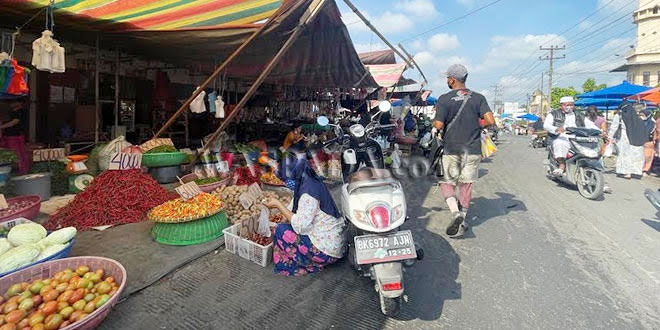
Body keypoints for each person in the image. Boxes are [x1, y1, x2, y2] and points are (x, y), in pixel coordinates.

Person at [433, 64, 495, 237]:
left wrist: (436, 124)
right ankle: (464, 218)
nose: (447, 80)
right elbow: (490, 120)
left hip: (452, 148)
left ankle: (455, 213)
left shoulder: (444, 99)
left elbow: (438, 125)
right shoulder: (478, 97)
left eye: (447, 78)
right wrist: (477, 126)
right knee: (466, 185)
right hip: (473, 149)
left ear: (452, 79)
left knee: (446, 182)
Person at [263, 159, 345, 276]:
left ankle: (306, 264)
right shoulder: (310, 182)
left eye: (287, 180)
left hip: (327, 251)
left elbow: (301, 226)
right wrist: (283, 215)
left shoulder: (308, 194)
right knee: (282, 226)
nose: (286, 183)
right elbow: (294, 206)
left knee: (280, 231)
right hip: (334, 243)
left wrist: (278, 205)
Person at [543, 96, 599, 176]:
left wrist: (599, 132)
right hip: (561, 136)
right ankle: (562, 165)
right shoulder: (553, 114)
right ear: (561, 105)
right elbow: (546, 125)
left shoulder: (579, 114)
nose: (569, 107)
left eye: (571, 105)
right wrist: (556, 129)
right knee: (559, 143)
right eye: (566, 105)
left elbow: (590, 124)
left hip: (578, 137)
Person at [608, 104, 645, 179]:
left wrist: (610, 137)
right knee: (633, 155)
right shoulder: (635, 115)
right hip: (634, 137)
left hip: (624, 136)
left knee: (624, 154)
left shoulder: (620, 115)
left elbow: (614, 127)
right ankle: (634, 172)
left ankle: (626, 172)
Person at [0, 99, 29, 174]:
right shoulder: (12, 112)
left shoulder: (20, 111)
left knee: (17, 153)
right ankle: (17, 169)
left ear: (18, 103)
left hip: (15, 136)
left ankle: (21, 170)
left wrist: (1, 127)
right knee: (14, 153)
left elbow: (14, 122)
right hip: (10, 135)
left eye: (12, 102)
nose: (10, 104)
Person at [641, 109, 657, 176]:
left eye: (643, 115)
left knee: (646, 156)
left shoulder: (642, 122)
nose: (641, 116)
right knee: (647, 157)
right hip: (647, 142)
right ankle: (645, 170)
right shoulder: (652, 123)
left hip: (646, 142)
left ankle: (644, 170)